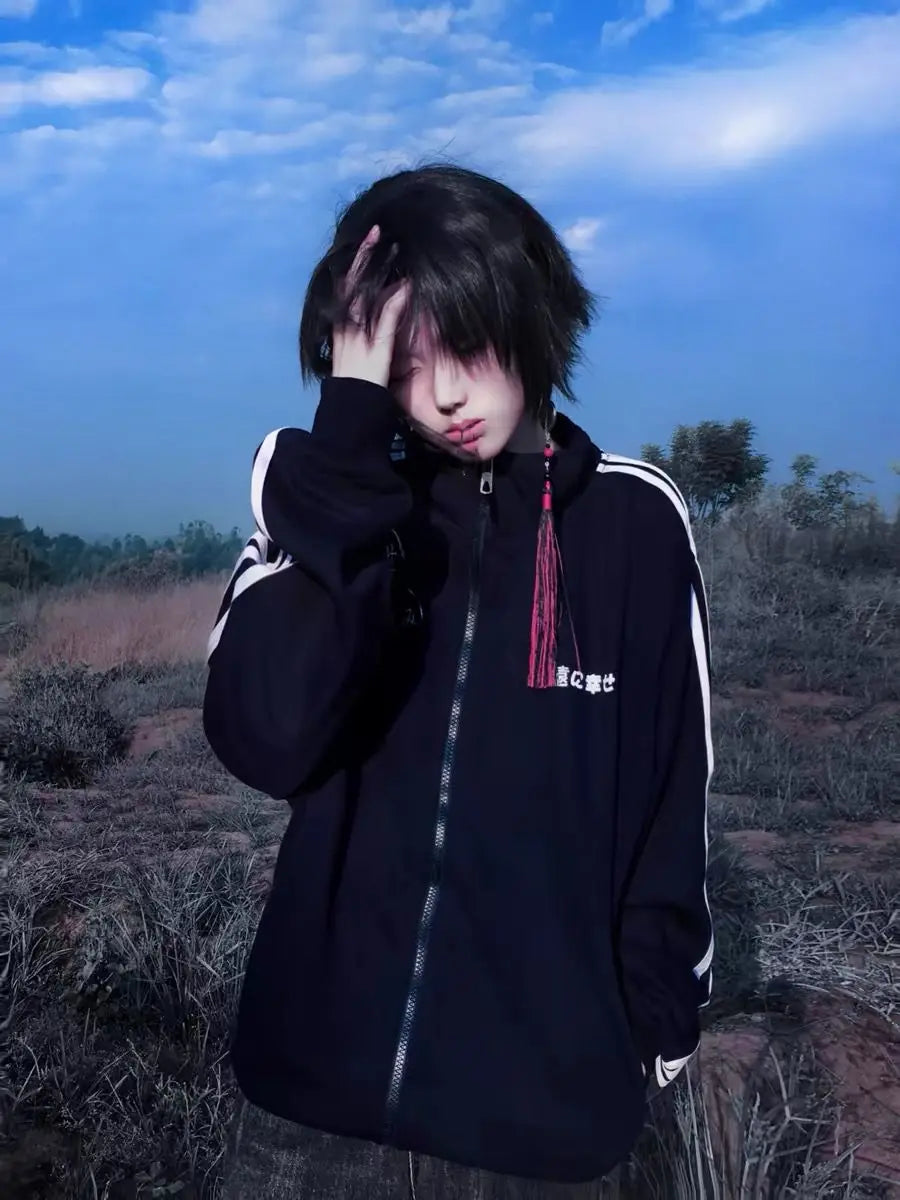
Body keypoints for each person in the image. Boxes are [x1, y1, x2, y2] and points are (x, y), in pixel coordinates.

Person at [203, 163, 715, 1199]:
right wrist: (348, 444)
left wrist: (647, 1043)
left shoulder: (635, 525)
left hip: (545, 1139)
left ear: (525, 310)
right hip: (306, 1117)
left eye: (465, 346)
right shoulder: (328, 503)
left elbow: (673, 803)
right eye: (399, 368)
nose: (440, 397)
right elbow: (267, 739)